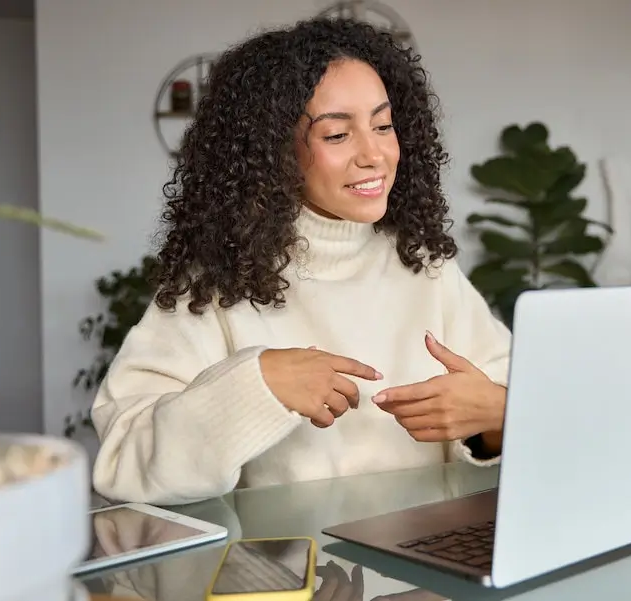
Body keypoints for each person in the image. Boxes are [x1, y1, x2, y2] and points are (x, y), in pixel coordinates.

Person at [90, 16, 513, 506]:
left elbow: (516, 405)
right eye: (336, 135)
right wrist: (257, 385)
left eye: (382, 125)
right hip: (291, 576)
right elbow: (123, 460)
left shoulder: (424, 267)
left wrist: (499, 416)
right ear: (274, 151)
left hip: (428, 569)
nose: (374, 154)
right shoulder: (217, 286)